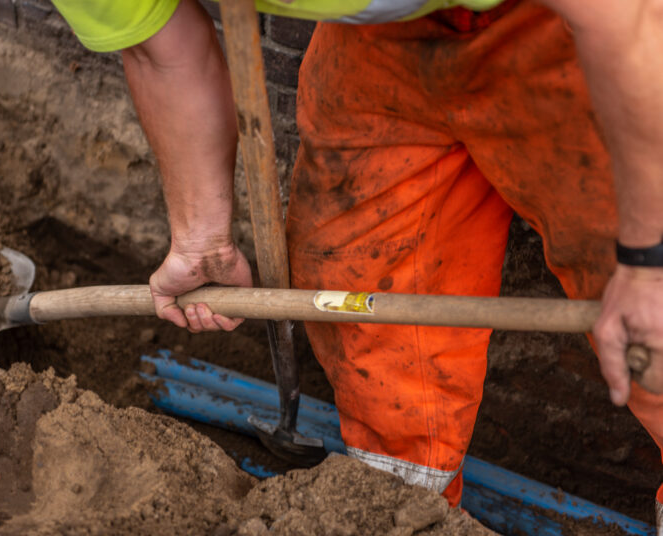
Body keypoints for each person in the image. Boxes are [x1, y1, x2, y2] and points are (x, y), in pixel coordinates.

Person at [50, 0, 663, 524]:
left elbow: (627, 18)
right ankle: (402, 511)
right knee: (364, 307)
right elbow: (163, 48)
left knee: (653, 333)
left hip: (577, 28)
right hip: (378, 47)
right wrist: (201, 241)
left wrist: (647, 262)